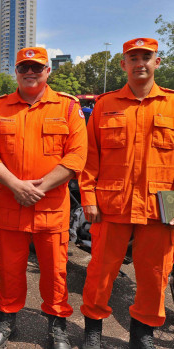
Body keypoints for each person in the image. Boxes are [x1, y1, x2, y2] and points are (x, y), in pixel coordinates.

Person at [0, 47, 87, 349]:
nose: (30, 72)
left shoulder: (67, 107)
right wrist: (16, 185)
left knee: (55, 272)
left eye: (37, 68)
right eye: (24, 67)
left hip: (51, 207)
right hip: (11, 204)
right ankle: (6, 320)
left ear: (48, 71)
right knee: (9, 269)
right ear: (16, 71)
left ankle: (57, 327)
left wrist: (38, 188)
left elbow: (77, 156)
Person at [79, 37, 174, 349]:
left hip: (161, 208)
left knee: (154, 274)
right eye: (133, 58)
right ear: (123, 65)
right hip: (111, 204)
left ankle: (142, 333)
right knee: (100, 272)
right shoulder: (106, 105)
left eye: (146, 57)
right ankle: (93, 329)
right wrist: (89, 198)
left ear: (157, 62)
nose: (140, 63)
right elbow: (90, 157)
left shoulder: (172, 105)